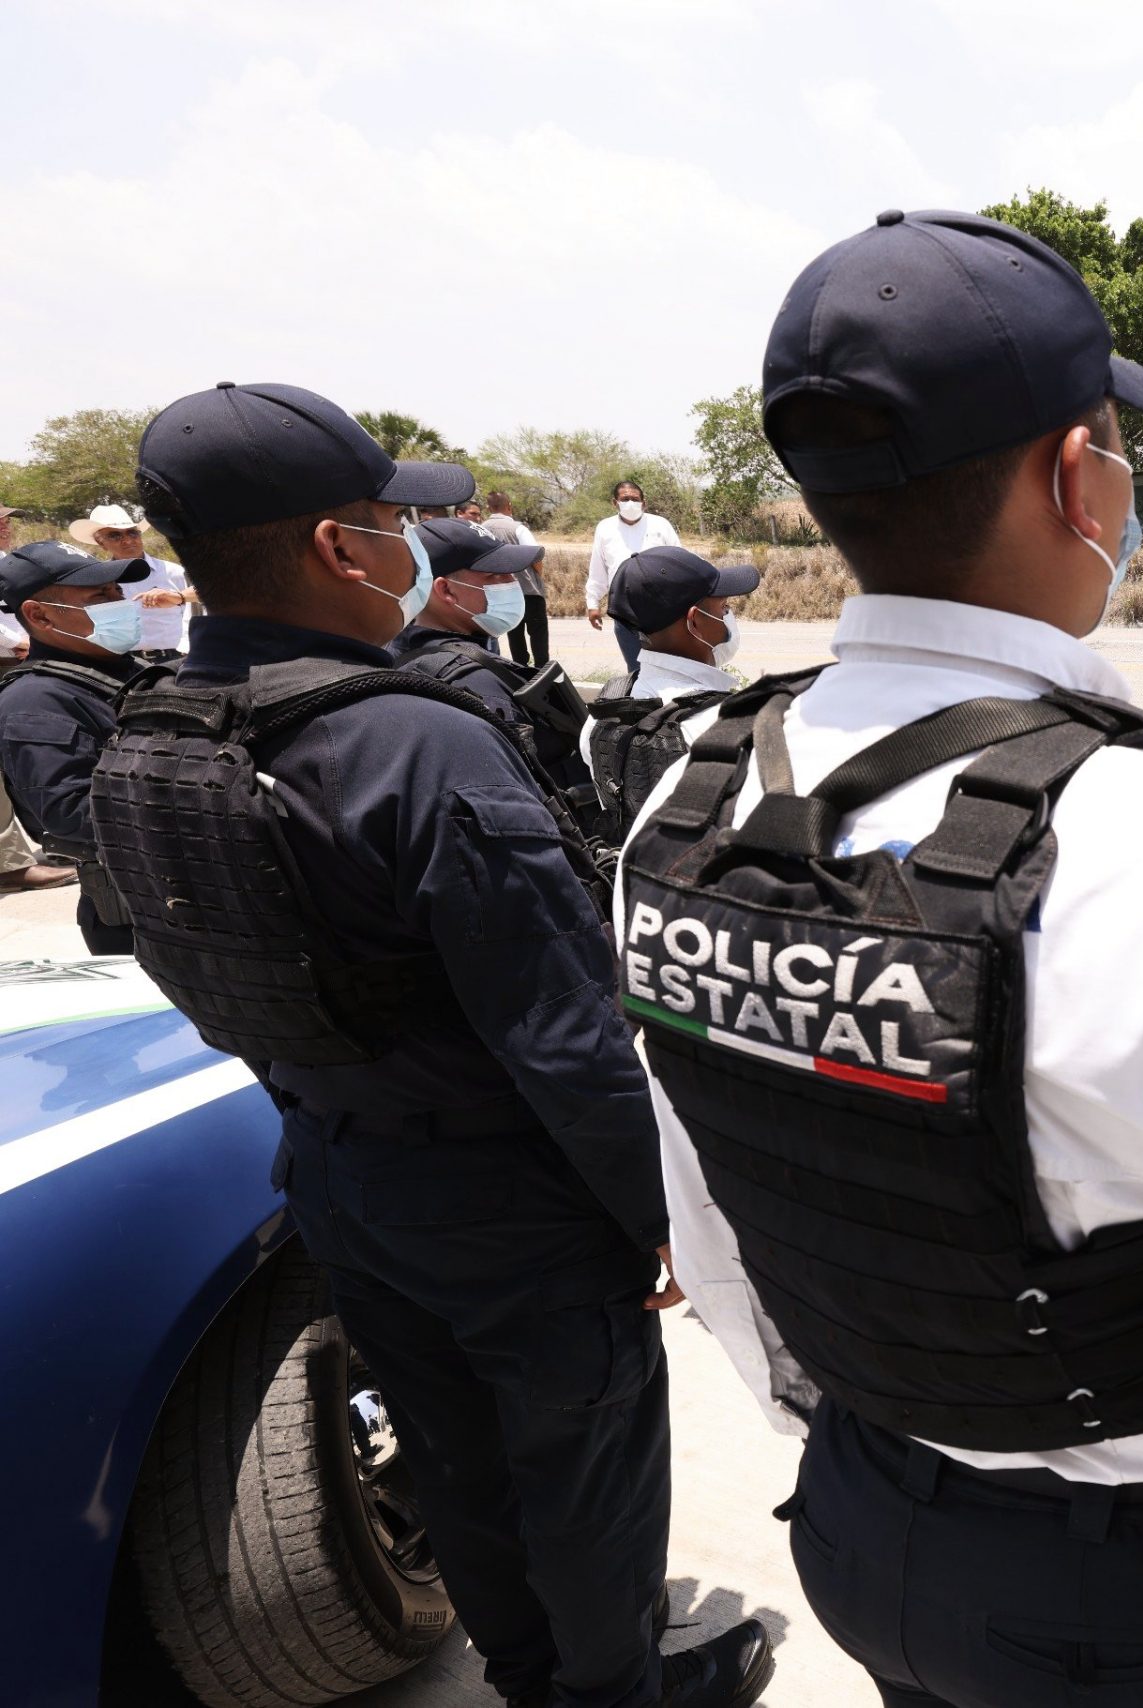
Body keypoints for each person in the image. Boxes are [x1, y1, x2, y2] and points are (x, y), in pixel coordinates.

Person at [629, 209, 1143, 1708]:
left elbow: (722, 1213)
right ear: (1081, 480)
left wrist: (855, 1434)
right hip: (1136, 1607)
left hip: (869, 1530)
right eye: (1116, 453)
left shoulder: (692, 797)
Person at [94, 381, 772, 1708]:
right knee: (582, 1474)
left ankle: (525, 1674)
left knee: (456, 1463)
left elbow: (158, 947)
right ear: (345, 550)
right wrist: (665, 1217)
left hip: (340, 1180)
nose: (417, 543)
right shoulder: (416, 745)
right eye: (395, 522)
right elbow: (567, 1036)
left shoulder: (151, 736)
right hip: (510, 1201)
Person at [385, 516, 598, 809]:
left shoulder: (396, 653)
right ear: (445, 590)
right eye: (495, 576)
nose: (512, 583)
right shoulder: (476, 683)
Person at [0, 540, 151, 943]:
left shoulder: (133, 670)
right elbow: (72, 815)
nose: (119, 602)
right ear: (40, 615)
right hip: (138, 916)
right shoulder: (35, 701)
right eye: (99, 595)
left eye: (117, 592)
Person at [583, 545, 757, 840]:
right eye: (723, 607)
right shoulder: (723, 726)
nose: (729, 615)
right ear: (695, 621)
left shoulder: (602, 713)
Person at [0, 505, 74, 894]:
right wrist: (17, 641)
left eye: (5, 519)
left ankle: (57, 839)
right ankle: (8, 865)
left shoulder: (8, 562)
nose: (4, 526)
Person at [70, 501, 193, 661]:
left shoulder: (174, 572)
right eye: (115, 535)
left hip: (176, 660)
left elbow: (196, 613)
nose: (127, 540)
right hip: (122, 664)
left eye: (132, 533)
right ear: (101, 542)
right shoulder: (96, 581)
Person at [587, 480, 682, 672]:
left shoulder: (660, 525)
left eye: (635, 499)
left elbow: (679, 563)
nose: (630, 503)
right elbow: (598, 569)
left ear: (644, 503)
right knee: (636, 669)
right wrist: (592, 604)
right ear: (615, 503)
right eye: (625, 499)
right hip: (624, 609)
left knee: (668, 666)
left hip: (661, 607)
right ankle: (640, 701)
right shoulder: (605, 528)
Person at [481, 489, 552, 668]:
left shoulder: (482, 529)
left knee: (514, 634)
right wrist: (539, 577)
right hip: (529, 591)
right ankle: (541, 672)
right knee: (538, 635)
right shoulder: (518, 528)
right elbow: (536, 556)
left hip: (501, 592)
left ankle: (519, 671)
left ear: (488, 507)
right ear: (509, 507)